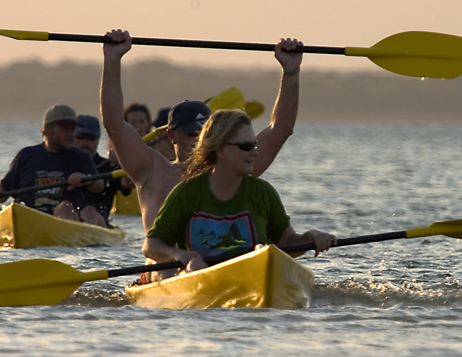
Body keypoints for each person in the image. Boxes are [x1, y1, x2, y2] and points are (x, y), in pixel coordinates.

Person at [99, 28, 304, 235]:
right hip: (165, 264)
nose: (200, 142)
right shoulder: (150, 169)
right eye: (192, 134)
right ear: (172, 136)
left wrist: (291, 71)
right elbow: (114, 124)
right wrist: (112, 59)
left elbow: (281, 129)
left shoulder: (231, 166)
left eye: (205, 133)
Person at [143, 110, 336, 275]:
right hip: (200, 279)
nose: (255, 153)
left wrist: (311, 237)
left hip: (251, 275)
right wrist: (180, 255)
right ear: (220, 150)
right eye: (246, 146)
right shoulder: (186, 193)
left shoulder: (262, 192)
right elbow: (151, 246)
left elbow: (287, 243)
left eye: (255, 145)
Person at [0, 104, 104, 220]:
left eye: (73, 129)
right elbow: (4, 187)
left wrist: (86, 179)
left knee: (66, 206)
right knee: (14, 207)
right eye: (65, 129)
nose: (71, 134)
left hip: (63, 217)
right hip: (27, 216)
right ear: (47, 129)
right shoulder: (26, 155)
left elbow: (99, 185)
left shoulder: (80, 157)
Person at [73, 114, 131, 227]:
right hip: (66, 217)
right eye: (80, 136)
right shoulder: (61, 164)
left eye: (91, 138)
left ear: (98, 139)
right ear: (72, 137)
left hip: (98, 223)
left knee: (89, 211)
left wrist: (122, 162)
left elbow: (130, 183)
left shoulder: (108, 167)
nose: (85, 142)